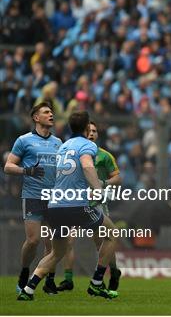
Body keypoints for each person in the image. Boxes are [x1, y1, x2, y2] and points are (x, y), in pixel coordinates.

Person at [17, 111, 119, 300]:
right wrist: (98, 189)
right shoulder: (87, 145)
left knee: (57, 252)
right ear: (87, 127)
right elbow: (87, 165)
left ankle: (29, 289)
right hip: (77, 204)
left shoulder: (63, 146)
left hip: (55, 206)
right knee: (112, 234)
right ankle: (97, 283)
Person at [4, 102, 62, 295]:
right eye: (46, 112)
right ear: (36, 118)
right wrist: (26, 170)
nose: (51, 114)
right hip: (33, 196)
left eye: (52, 112)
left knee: (52, 244)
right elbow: (8, 166)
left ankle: (49, 281)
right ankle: (24, 271)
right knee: (33, 241)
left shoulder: (58, 143)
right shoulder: (24, 140)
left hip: (53, 197)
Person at [57, 121, 122, 291]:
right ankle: (68, 280)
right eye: (89, 130)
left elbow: (117, 177)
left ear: (98, 134)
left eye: (94, 130)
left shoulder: (104, 155)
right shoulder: (74, 153)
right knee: (68, 241)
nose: (91, 133)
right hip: (75, 202)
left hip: (96, 203)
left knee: (101, 243)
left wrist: (103, 183)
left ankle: (113, 271)